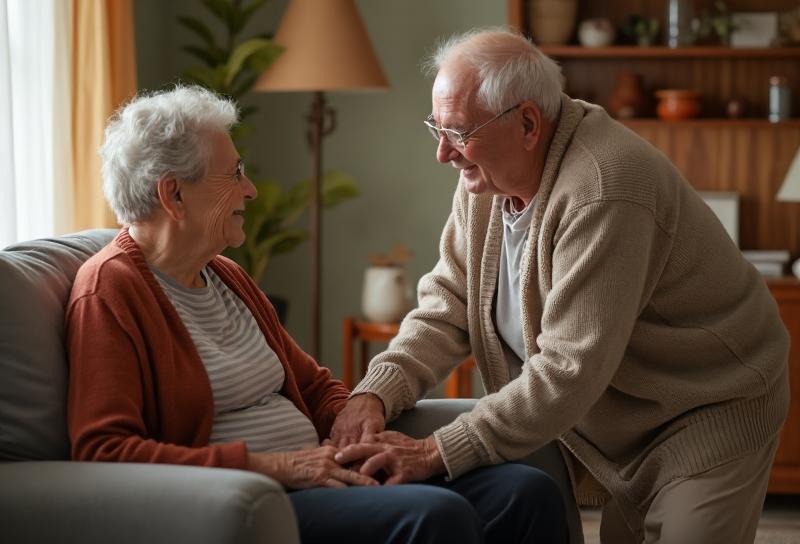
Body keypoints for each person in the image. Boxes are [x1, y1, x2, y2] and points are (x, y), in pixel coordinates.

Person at [331, 29, 790, 544]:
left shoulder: (604, 186)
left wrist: (435, 452)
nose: (443, 153)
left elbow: (569, 368)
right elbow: (447, 305)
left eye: (458, 132)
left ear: (527, 122)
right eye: (435, 127)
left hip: (708, 403)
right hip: (619, 414)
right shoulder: (486, 179)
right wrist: (375, 391)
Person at [66, 85, 569, 544]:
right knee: (434, 516)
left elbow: (312, 385)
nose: (251, 190)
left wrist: (357, 428)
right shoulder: (111, 289)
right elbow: (105, 451)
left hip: (323, 471)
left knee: (525, 491)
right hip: (262, 498)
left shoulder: (223, 275)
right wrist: (276, 466)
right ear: (173, 194)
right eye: (235, 173)